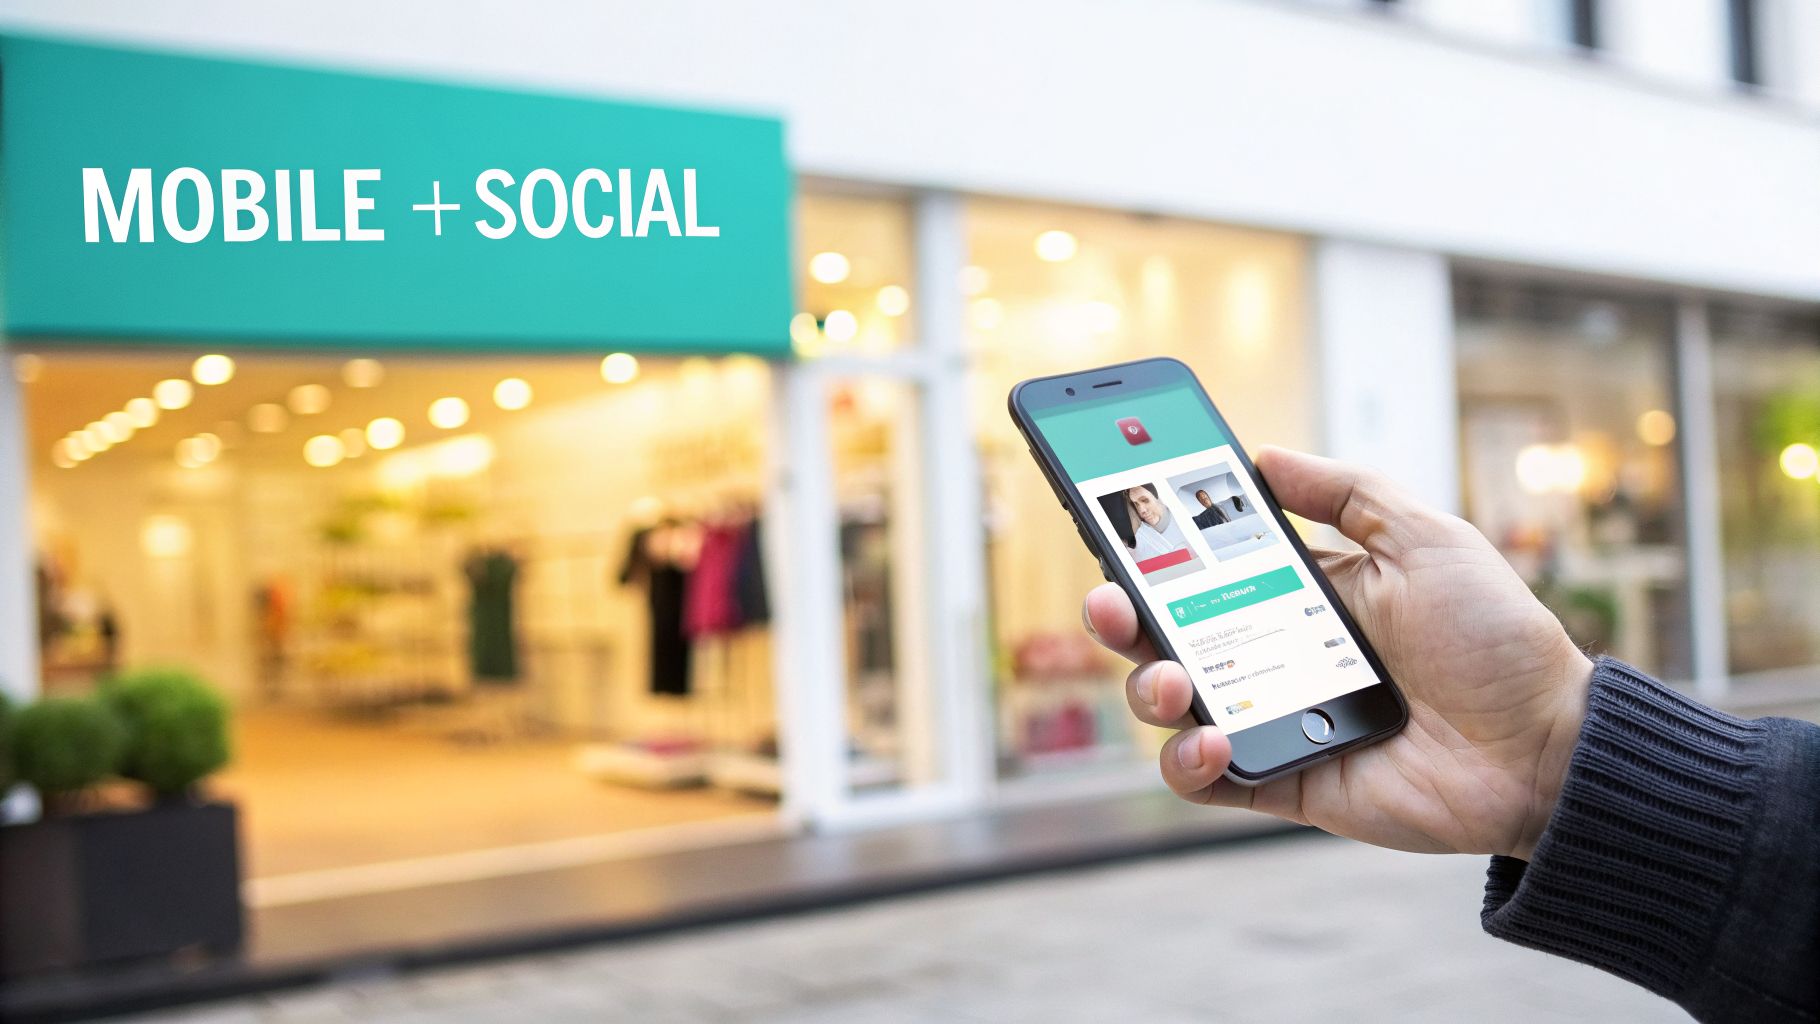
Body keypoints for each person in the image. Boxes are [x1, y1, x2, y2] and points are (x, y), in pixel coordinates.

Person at [1083, 446, 1818, 1023]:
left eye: (1161, 491)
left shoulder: (1228, 523)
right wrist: (1552, 753)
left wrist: (1552, 751)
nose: (1161, 501)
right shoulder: (1181, 538)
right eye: (1142, 498)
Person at [1124, 484, 1189, 562]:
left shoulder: (1186, 520)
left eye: (1145, 500)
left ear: (1157, 497)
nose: (1141, 510)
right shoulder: (1134, 540)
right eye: (1136, 504)